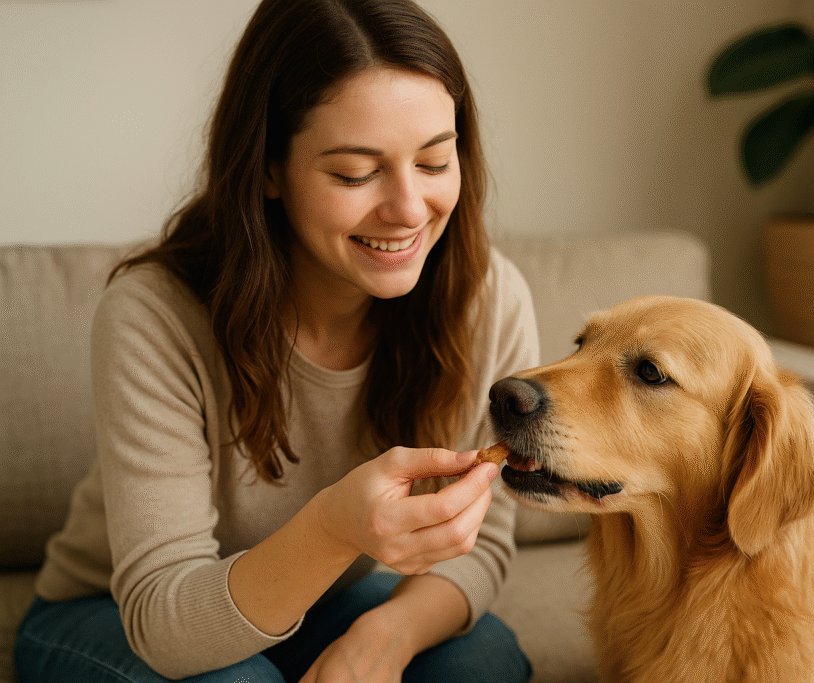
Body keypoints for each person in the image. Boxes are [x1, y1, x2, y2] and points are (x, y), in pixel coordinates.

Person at [14, 1, 537, 681]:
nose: (409, 208)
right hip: (112, 611)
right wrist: (335, 528)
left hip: (323, 599)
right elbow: (163, 622)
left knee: (485, 659)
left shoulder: (486, 297)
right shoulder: (155, 314)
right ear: (266, 168)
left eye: (436, 162)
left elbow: (483, 541)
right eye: (355, 173)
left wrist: (383, 636)